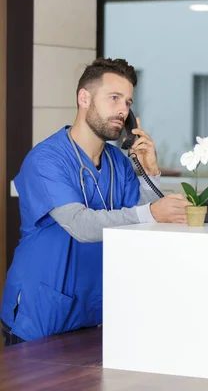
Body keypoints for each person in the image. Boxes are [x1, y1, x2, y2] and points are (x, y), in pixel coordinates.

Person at [1, 58, 191, 346]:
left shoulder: (120, 162)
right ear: (84, 98)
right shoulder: (46, 159)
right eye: (114, 98)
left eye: (127, 102)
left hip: (93, 313)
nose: (122, 110)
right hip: (41, 313)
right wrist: (153, 211)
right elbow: (81, 225)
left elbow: (143, 230)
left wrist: (149, 173)